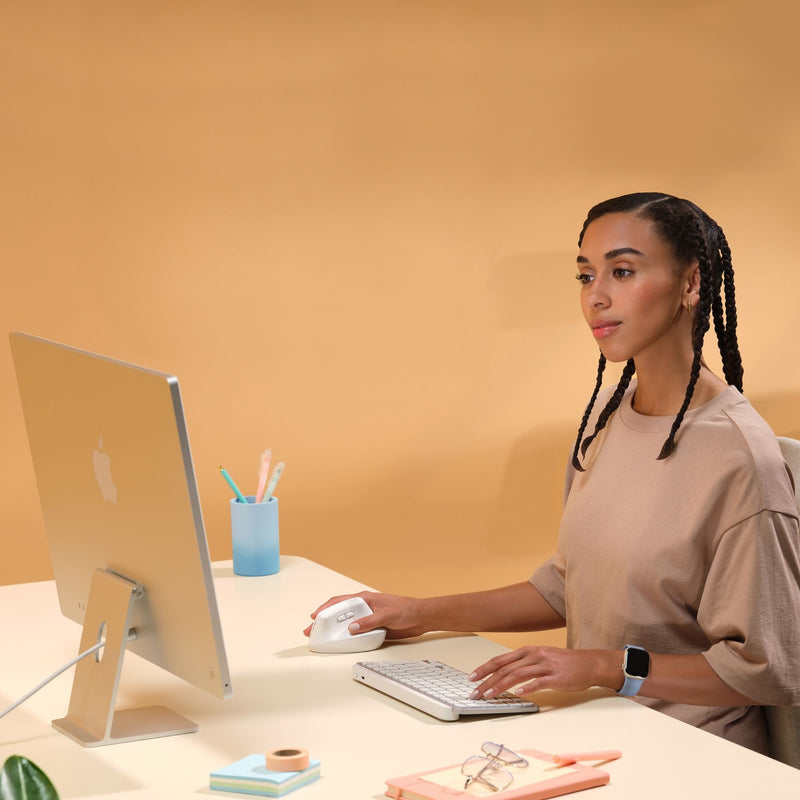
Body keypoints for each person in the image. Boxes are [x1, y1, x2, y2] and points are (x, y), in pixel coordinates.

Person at [305, 193, 800, 754]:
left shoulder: (741, 460)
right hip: (593, 731)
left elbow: (766, 670)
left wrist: (601, 666)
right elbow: (571, 586)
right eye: (586, 276)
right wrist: (419, 612)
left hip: (693, 753)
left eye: (622, 271)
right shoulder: (608, 415)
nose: (597, 296)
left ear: (691, 284)